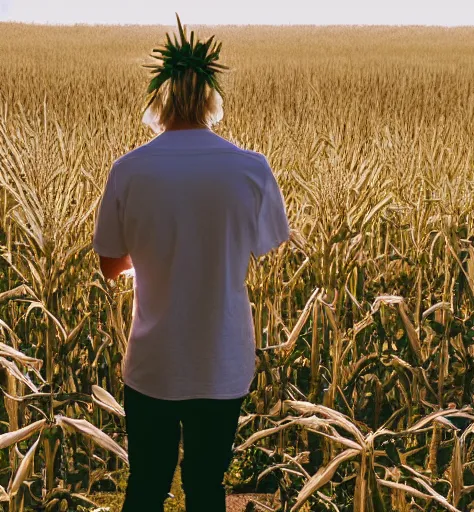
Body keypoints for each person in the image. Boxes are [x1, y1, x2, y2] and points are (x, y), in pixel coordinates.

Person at [92, 15, 290, 512]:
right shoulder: (251, 168)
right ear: (210, 100)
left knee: (147, 487)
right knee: (206, 488)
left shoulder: (129, 170)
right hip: (221, 362)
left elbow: (111, 265)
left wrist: (157, 254)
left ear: (159, 101)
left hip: (154, 363)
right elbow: (265, 244)